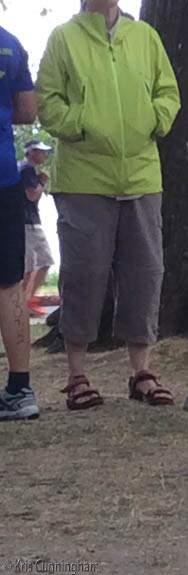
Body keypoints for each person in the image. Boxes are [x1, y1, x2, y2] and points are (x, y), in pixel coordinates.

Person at [36, 0, 181, 410]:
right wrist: (82, 125)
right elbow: (47, 102)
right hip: (83, 180)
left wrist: (154, 118)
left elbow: (168, 93)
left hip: (141, 178)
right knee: (83, 275)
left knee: (145, 274)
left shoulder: (145, 37)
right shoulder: (64, 38)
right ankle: (76, 375)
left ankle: (142, 372)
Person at [0, 25, 40, 421]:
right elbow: (28, 111)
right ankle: (20, 388)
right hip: (3, 178)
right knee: (9, 284)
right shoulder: (10, 44)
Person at [19, 140, 55, 317]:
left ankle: (22, 303)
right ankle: (26, 301)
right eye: (41, 151)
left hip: (23, 221)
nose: (44, 155)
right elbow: (32, 195)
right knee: (45, 260)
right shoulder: (27, 169)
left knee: (29, 265)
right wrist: (42, 181)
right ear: (31, 152)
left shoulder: (24, 169)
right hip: (29, 223)